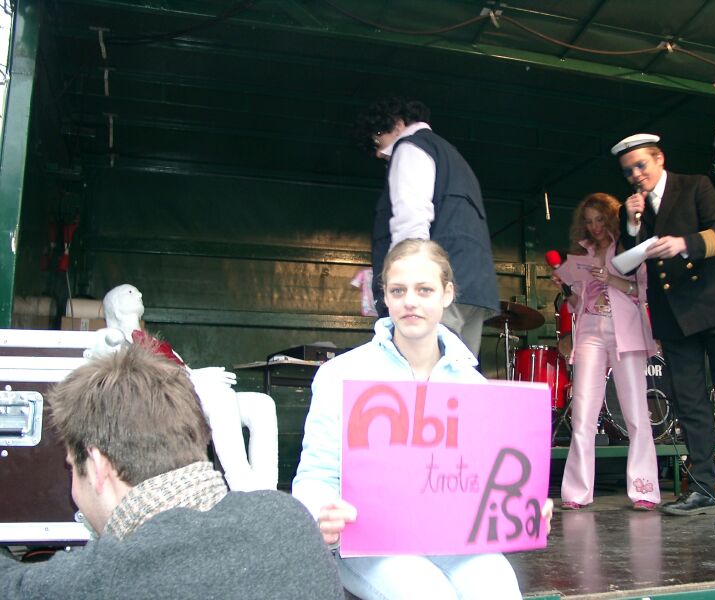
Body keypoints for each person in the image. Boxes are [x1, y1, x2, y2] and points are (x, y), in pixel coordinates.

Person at [292, 238, 553, 600]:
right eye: (398, 290)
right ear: (385, 296)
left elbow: (486, 480)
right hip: (370, 543)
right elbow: (315, 475)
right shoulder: (341, 374)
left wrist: (523, 510)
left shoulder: (472, 384)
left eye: (424, 289)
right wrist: (321, 512)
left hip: (453, 542)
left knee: (498, 585)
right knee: (426, 593)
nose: (410, 301)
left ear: (447, 294)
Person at [0, 343, 343, 599]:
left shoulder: (107, 579)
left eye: (72, 468)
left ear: (99, 466)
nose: (74, 489)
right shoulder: (288, 519)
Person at [612, 133, 715, 515]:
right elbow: (628, 263)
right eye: (628, 171)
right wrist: (633, 225)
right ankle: (703, 485)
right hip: (673, 315)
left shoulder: (694, 186)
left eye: (640, 165)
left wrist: (684, 243)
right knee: (689, 402)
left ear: (659, 159)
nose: (636, 175)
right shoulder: (632, 209)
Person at [91, 283, 278, 492]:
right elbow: (133, 382)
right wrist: (193, 378)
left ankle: (267, 491)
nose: (139, 294)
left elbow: (182, 369)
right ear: (116, 306)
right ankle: (243, 486)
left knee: (262, 404)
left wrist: (197, 376)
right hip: (161, 404)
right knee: (222, 397)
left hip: (187, 392)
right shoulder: (111, 340)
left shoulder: (154, 341)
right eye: (130, 292)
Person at [353, 97, 499, 358]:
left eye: (377, 138)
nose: (378, 151)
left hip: (435, 287)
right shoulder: (453, 158)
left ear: (397, 123)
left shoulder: (410, 148)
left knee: (422, 371)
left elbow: (410, 219)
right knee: (458, 370)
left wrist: (401, 282)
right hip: (475, 288)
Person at [555, 193, 661, 511]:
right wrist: (566, 290)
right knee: (583, 413)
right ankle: (577, 492)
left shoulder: (629, 248)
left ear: (611, 218)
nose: (595, 227)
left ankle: (644, 489)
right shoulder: (581, 254)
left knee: (636, 413)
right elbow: (577, 303)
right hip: (590, 330)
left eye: (600, 219)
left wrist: (612, 280)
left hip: (624, 330)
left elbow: (645, 289)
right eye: (589, 221)